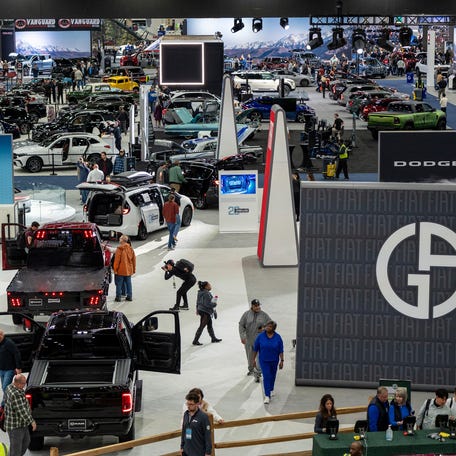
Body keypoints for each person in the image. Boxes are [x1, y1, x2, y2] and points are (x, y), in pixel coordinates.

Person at [252, 320, 284, 404]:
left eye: (270, 326)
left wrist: (282, 361)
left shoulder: (278, 337)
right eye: (267, 326)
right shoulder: (260, 337)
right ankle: (267, 396)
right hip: (264, 360)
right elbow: (255, 349)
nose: (267, 327)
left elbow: (281, 350)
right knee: (266, 377)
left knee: (273, 376)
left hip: (274, 360)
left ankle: (271, 389)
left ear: (273, 328)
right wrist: (253, 359)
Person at [4, 374, 36, 456]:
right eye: (24, 384)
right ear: (17, 383)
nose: (25, 385)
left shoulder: (10, 387)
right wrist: (32, 421)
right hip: (15, 426)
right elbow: (22, 411)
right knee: (16, 449)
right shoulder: (15, 394)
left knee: (26, 441)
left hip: (22, 424)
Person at [238, 299, 271, 378]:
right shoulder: (246, 314)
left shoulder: (264, 315)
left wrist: (263, 329)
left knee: (259, 356)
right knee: (250, 356)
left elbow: (271, 325)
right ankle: (251, 370)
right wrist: (242, 336)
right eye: (256, 306)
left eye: (258, 305)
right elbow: (241, 325)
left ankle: (259, 371)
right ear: (252, 306)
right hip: (249, 340)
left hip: (260, 340)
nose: (258, 307)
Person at [180, 392, 212, 456]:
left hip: (198, 452)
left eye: (191, 404)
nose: (188, 406)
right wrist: (182, 446)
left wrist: (208, 452)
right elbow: (184, 431)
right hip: (186, 451)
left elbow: (207, 435)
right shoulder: (186, 414)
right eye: (188, 404)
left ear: (197, 404)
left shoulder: (203, 417)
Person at [192, 281, 221, 346]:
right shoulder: (206, 293)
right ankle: (195, 341)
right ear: (206, 286)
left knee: (209, 325)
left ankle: (213, 338)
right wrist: (214, 304)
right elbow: (208, 304)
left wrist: (197, 309)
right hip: (205, 311)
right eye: (209, 285)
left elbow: (197, 302)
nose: (210, 286)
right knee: (202, 326)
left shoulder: (200, 292)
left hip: (202, 310)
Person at [0, 331, 21, 407]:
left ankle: (3, 405)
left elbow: (16, 354)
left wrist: (18, 367)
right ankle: (11, 402)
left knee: (6, 387)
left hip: (9, 369)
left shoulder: (8, 343)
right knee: (4, 387)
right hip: (1, 369)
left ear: (1, 335)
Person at [112, 234, 136, 302]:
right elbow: (133, 260)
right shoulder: (130, 248)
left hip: (120, 270)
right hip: (128, 270)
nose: (119, 239)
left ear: (122, 240)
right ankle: (129, 296)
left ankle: (118, 297)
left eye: (120, 238)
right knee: (129, 283)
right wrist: (133, 269)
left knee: (119, 284)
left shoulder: (119, 249)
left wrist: (115, 269)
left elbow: (117, 261)